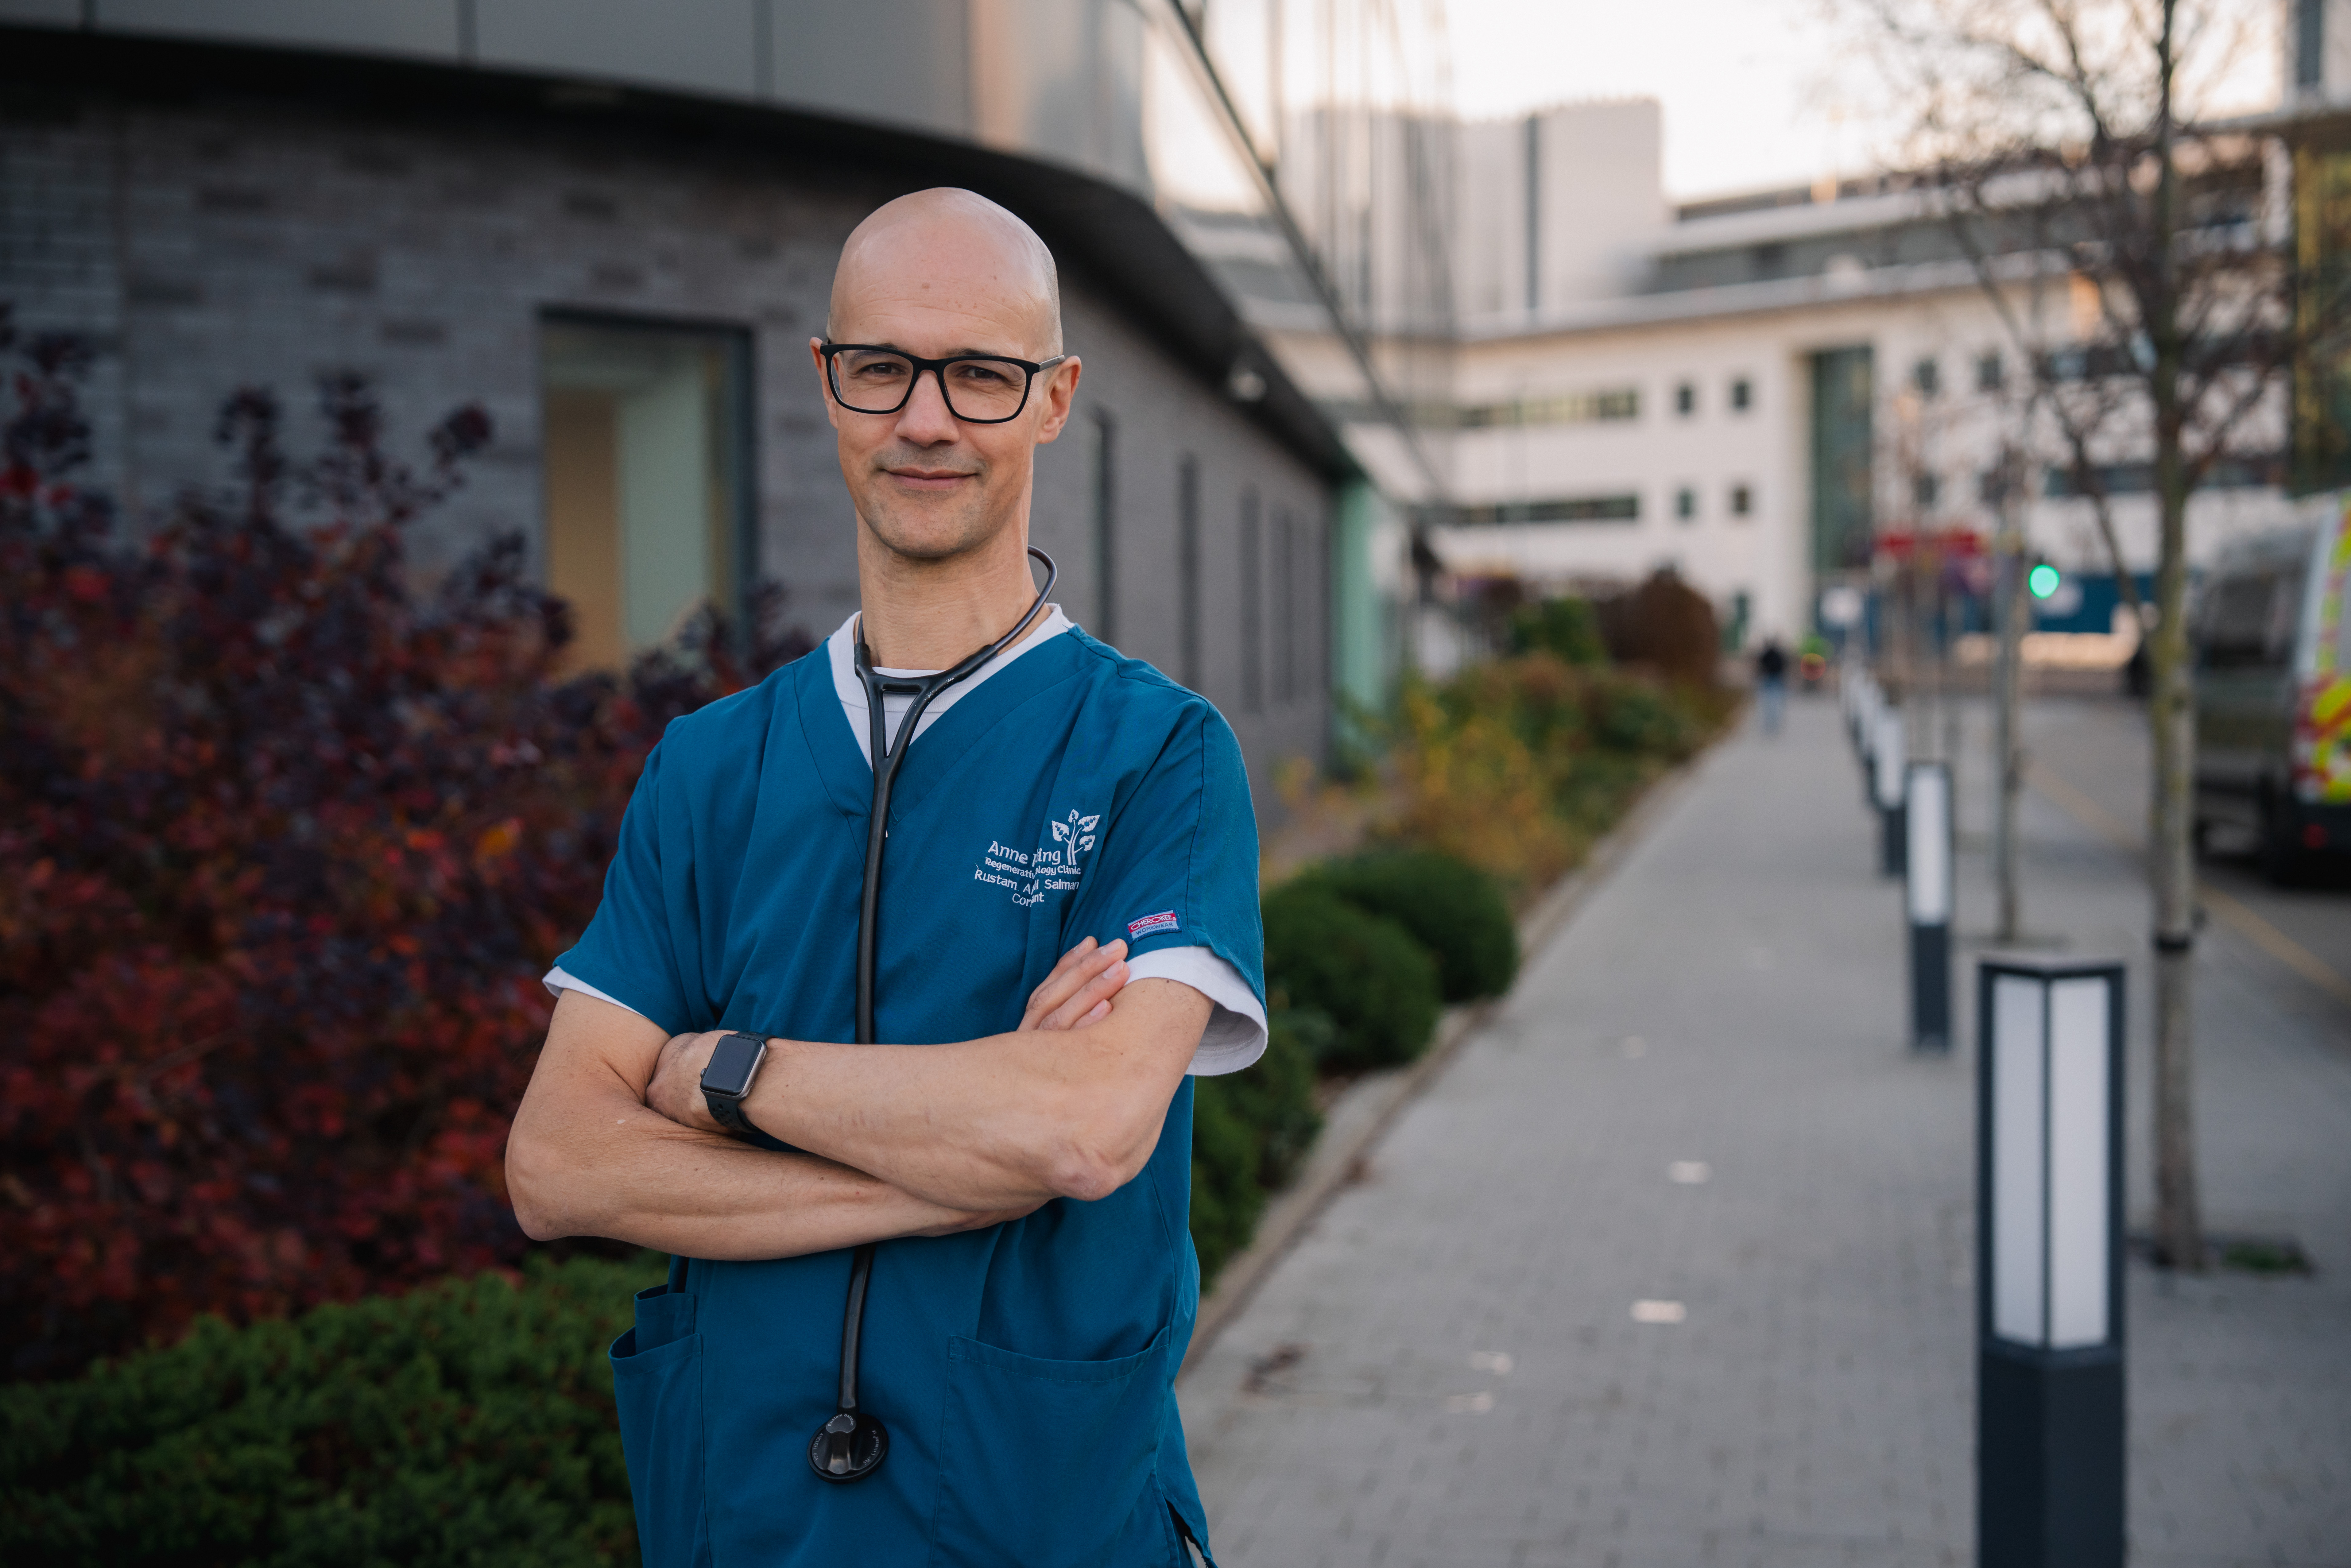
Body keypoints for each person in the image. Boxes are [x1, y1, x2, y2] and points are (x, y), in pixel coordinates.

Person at [506, 188, 1265, 1567]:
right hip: (748, 1523)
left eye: (981, 374)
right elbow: (557, 1165)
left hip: (1042, 1524)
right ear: (827, 383)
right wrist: (968, 1168)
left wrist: (722, 1077)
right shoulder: (707, 770)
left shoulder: (1158, 756)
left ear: (1055, 399)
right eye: (884, 369)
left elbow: (1086, 1132)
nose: (927, 419)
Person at [1755, 635, 1789, 735]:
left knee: (1769, 702)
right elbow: (1784, 667)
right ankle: (1773, 722)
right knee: (1775, 702)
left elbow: (1760, 667)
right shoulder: (1779, 655)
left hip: (1770, 679)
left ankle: (1770, 721)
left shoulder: (1766, 655)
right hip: (1776, 679)